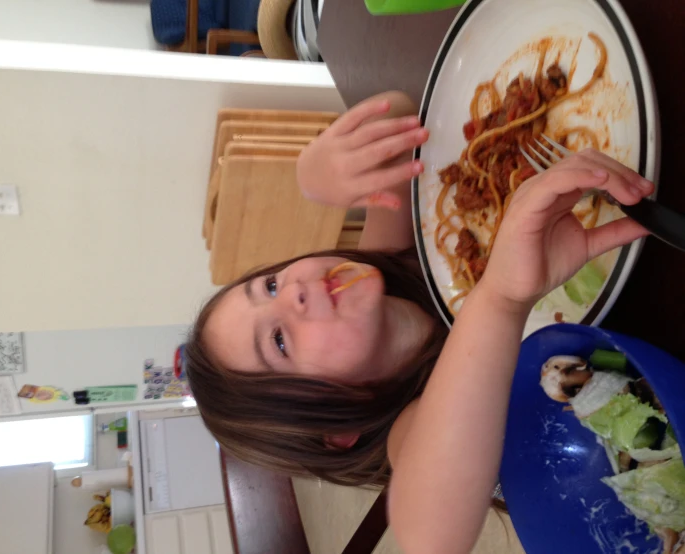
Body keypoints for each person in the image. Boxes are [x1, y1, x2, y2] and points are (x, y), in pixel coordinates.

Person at [185, 91, 654, 553]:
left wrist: (316, 172)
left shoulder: (388, 262)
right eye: (280, 341)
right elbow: (430, 535)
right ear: (335, 431)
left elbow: (403, 114)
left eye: (268, 286)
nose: (292, 292)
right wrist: (500, 298)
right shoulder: (410, 428)